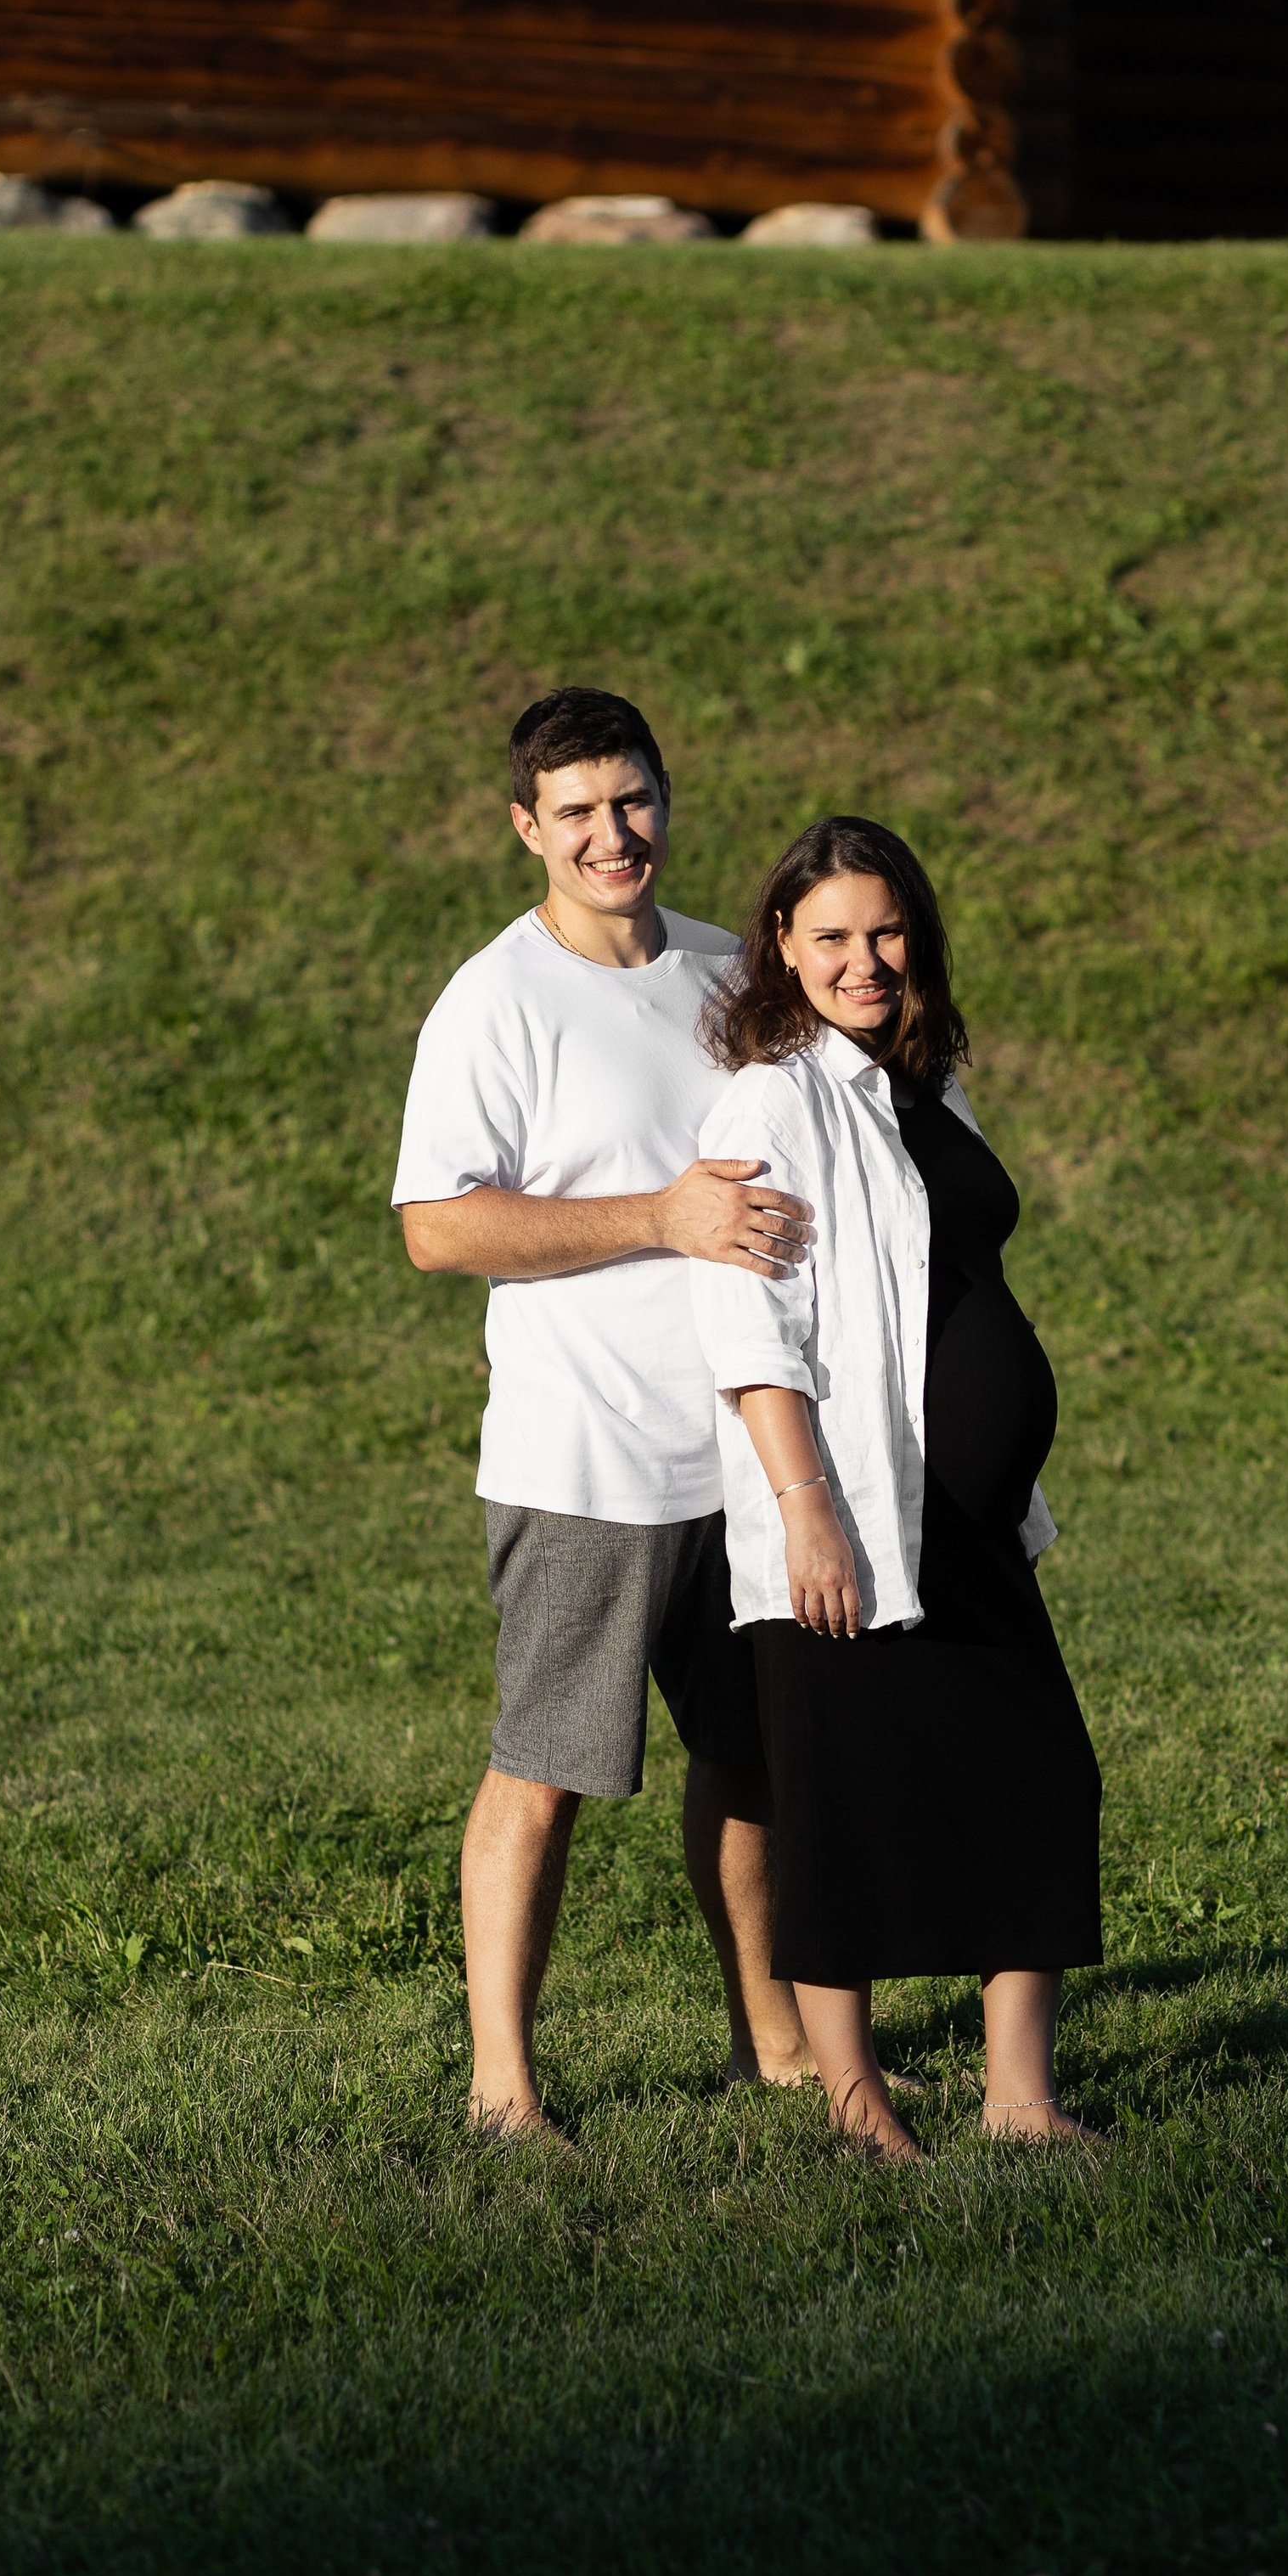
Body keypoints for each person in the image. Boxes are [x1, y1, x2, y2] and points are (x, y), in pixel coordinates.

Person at [392, 686, 815, 2139]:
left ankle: (775, 2045)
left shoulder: (731, 971)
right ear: (528, 828)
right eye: (574, 812)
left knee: (754, 1758)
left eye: (630, 801)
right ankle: (502, 2090)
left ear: (666, 800)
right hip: (586, 1458)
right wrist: (661, 1217)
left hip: (745, 1452)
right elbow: (437, 1229)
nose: (610, 833)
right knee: (547, 1771)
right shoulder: (494, 1000)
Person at [689, 816, 1102, 2159]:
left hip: (969, 1519)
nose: (864, 960)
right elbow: (749, 1320)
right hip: (854, 1517)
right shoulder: (774, 1097)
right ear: (781, 949)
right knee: (848, 1799)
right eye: (832, 938)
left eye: (884, 931)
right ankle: (857, 2100)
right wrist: (807, 1504)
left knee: (1039, 1777)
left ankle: (1020, 2100)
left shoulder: (926, 1082)